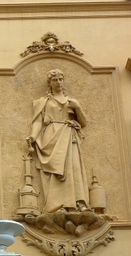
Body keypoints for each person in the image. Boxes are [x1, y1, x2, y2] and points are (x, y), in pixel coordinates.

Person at [26, 69, 89, 214]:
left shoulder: (72, 102)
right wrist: (33, 136)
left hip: (68, 135)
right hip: (50, 137)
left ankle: (79, 202)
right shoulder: (43, 102)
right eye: (55, 80)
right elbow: (38, 122)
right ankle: (57, 205)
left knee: (73, 168)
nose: (58, 82)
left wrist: (78, 108)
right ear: (50, 83)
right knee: (54, 172)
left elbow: (83, 123)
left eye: (61, 79)